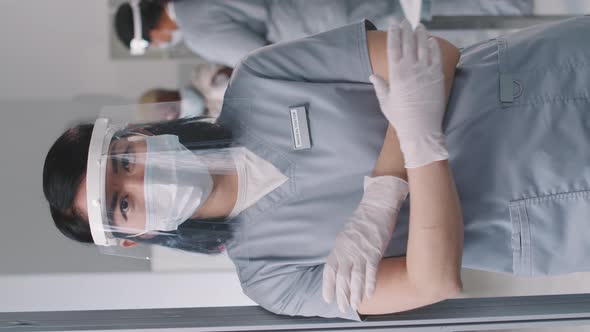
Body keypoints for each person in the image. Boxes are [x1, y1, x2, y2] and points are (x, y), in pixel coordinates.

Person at [44, 16, 590, 320]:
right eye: (123, 202)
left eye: (124, 161)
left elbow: (429, 54)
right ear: (133, 236)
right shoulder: (271, 278)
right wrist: (414, 137)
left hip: (545, 81)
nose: (141, 180)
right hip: (556, 216)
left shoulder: (259, 82)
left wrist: (387, 194)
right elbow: (433, 278)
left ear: (137, 136)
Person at [113, 0, 532, 66]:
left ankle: (513, 13)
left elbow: (258, 56)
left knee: (416, 27)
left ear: (153, 28)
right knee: (414, 8)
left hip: (313, 26)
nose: (161, 44)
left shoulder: (197, 31)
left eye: (152, 41)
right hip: (317, 7)